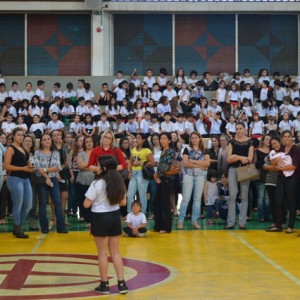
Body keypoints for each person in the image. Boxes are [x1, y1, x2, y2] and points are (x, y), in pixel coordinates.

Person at [83, 155, 128, 294]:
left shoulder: (96, 184)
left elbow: (86, 204)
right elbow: (123, 203)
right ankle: (122, 284)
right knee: (115, 252)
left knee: (102, 253)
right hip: (115, 217)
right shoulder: (119, 182)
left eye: (97, 165)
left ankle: (104, 285)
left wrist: (97, 200)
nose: (96, 167)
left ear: (104, 168)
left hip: (100, 218)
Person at [267, 130, 300, 234]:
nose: (286, 138)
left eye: (288, 136)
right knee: (278, 200)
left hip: (292, 178)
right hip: (281, 178)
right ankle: (279, 224)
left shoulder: (295, 149)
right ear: (282, 138)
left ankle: (290, 226)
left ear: (291, 138)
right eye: (284, 136)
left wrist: (280, 167)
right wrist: (277, 162)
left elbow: (294, 166)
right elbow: (272, 161)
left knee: (291, 202)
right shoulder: (281, 148)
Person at [34, 134, 68, 234]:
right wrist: (46, 176)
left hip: (53, 179)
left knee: (58, 203)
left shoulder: (55, 152)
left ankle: (61, 228)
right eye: (44, 139)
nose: (47, 141)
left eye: (48, 139)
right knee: (43, 203)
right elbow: (37, 167)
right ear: (41, 142)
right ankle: (44, 228)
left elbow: (57, 167)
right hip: (41, 180)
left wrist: (45, 171)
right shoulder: (37, 152)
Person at [4, 128, 34, 238]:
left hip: (26, 179)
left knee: (28, 205)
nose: (21, 137)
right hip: (15, 179)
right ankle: (18, 227)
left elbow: (27, 163)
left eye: (22, 135)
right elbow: (6, 166)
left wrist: (30, 168)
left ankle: (18, 226)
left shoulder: (23, 149)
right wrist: (23, 168)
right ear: (13, 136)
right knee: (18, 205)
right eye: (19, 135)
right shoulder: (10, 149)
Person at [178, 131, 210, 229]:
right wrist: (200, 164)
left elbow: (207, 164)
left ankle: (195, 220)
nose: (194, 140)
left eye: (196, 137)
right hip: (188, 175)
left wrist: (193, 161)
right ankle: (181, 220)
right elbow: (185, 163)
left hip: (200, 176)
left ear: (200, 138)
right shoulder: (187, 149)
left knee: (197, 199)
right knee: (186, 198)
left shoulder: (205, 150)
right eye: (192, 138)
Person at [226, 122, 254, 229]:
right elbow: (229, 159)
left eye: (240, 128)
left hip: (245, 169)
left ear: (245, 129)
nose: (238, 130)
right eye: (236, 128)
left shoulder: (250, 142)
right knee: (232, 196)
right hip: (233, 169)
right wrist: (240, 157)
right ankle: (230, 222)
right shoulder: (231, 141)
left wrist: (235, 156)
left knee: (244, 197)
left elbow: (249, 159)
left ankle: (242, 222)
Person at [126, 133, 155, 215]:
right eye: (136, 138)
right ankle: (129, 213)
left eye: (139, 138)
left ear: (143, 140)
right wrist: (129, 171)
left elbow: (152, 163)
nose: (137, 139)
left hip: (142, 173)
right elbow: (130, 162)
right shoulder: (134, 149)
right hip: (134, 174)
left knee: (142, 195)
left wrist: (141, 163)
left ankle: (142, 214)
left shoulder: (147, 150)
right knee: (129, 195)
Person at [153, 133, 176, 233]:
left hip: (166, 179)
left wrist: (157, 175)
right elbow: (160, 166)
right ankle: (158, 225)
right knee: (156, 203)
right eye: (161, 138)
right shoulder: (163, 151)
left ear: (169, 140)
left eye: (164, 138)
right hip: (161, 179)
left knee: (165, 204)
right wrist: (156, 174)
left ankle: (167, 227)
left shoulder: (170, 151)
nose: (162, 140)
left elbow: (165, 166)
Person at [76, 136, 95, 227]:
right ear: (84, 144)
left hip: (94, 181)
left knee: (94, 201)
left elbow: (99, 167)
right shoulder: (81, 154)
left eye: (90, 141)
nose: (88, 143)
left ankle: (93, 220)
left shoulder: (96, 153)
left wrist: (85, 165)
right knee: (84, 200)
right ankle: (88, 220)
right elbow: (80, 166)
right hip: (82, 181)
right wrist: (92, 166)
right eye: (86, 142)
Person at [254, 134, 271, 222]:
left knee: (268, 199)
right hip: (260, 176)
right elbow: (256, 165)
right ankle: (261, 216)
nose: (268, 141)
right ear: (263, 140)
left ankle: (267, 216)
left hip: (271, 177)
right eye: (267, 139)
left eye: (269, 139)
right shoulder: (258, 151)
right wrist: (264, 159)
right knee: (260, 198)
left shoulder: (273, 151)